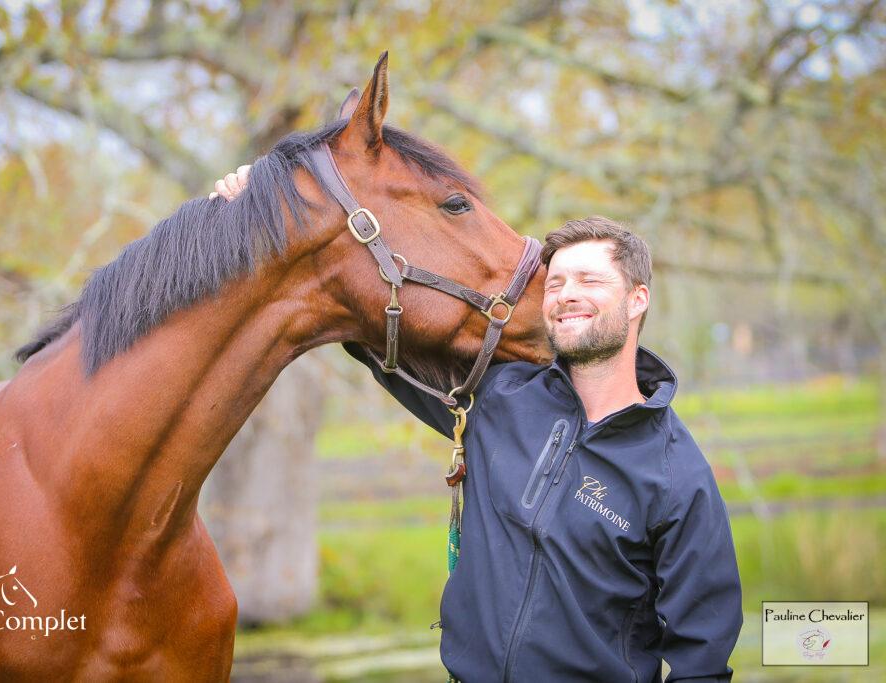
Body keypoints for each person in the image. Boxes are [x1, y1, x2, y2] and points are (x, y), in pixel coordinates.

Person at [212, 168, 743, 682]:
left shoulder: (677, 473)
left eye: (590, 280)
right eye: (555, 283)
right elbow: (370, 322)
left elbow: (703, 655)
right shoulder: (497, 397)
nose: (566, 294)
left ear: (637, 299)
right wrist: (266, 211)